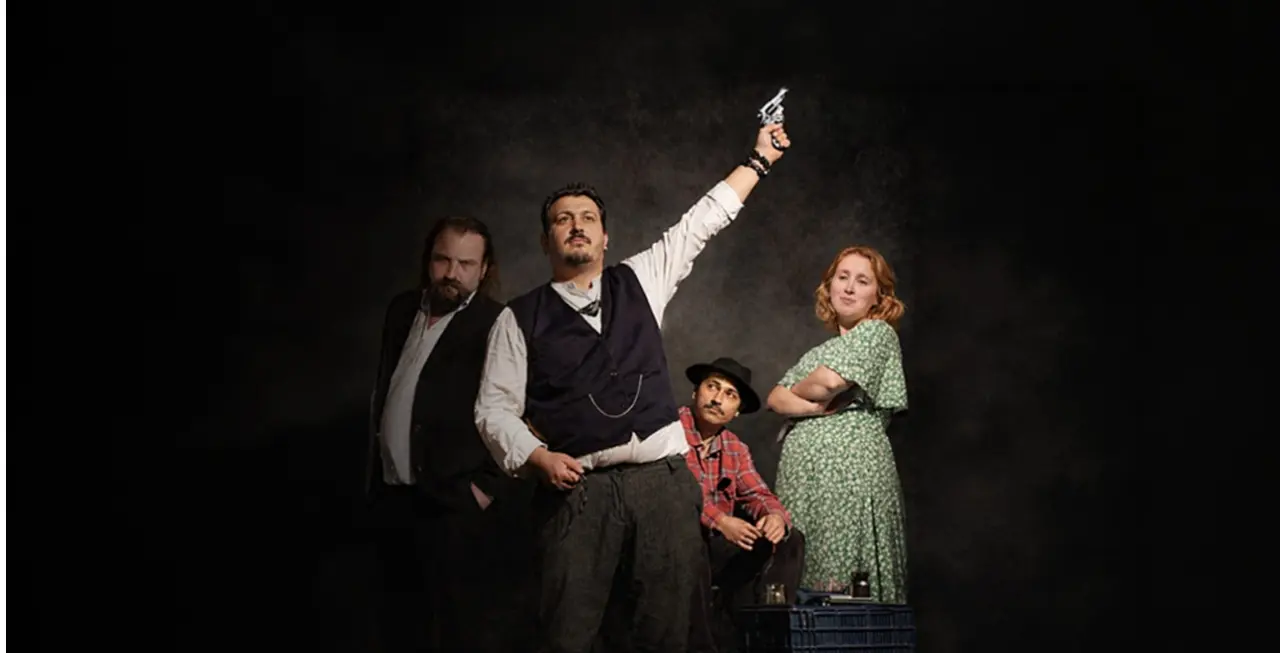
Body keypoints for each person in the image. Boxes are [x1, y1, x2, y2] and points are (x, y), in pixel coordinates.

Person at [473, 122, 793, 653]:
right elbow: (493, 410)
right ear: (546, 240)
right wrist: (539, 457)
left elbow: (701, 222)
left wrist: (759, 160)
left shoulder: (641, 278)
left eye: (588, 218)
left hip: (661, 486)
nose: (577, 226)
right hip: (580, 495)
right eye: (563, 219)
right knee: (568, 634)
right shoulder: (518, 318)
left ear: (605, 237)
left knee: (667, 632)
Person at [364, 216, 533, 653]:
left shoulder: (498, 321)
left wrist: (487, 488)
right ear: (428, 260)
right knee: (396, 624)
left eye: (465, 263)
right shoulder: (403, 310)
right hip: (392, 497)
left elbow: (520, 413)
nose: (451, 273)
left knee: (459, 630)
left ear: (484, 268)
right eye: (443, 260)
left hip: (454, 504)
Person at [765, 245, 910, 604]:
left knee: (849, 582)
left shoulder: (877, 333)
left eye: (862, 281)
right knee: (801, 576)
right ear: (829, 286)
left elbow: (828, 382)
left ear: (878, 296)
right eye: (842, 278)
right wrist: (817, 408)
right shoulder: (818, 353)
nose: (848, 287)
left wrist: (804, 394)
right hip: (804, 484)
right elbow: (775, 399)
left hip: (850, 478)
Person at [681, 357, 806, 653]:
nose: (717, 399)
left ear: (736, 411)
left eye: (730, 394)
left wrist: (774, 517)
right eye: (712, 387)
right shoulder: (670, 431)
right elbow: (676, 495)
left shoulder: (735, 447)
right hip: (673, 542)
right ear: (696, 392)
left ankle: (769, 638)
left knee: (789, 539)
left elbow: (758, 494)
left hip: (716, 545)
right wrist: (721, 521)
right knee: (690, 541)